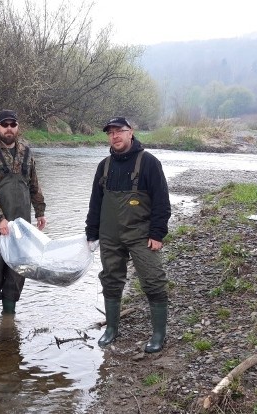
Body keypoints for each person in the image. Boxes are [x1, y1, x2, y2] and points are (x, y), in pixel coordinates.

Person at [85, 116, 171, 353]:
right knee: (111, 281)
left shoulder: (149, 163)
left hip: (141, 235)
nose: (115, 136)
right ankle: (112, 330)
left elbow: (162, 202)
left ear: (130, 132)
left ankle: (158, 335)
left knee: (154, 281)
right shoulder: (103, 166)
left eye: (119, 131)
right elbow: (95, 203)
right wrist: (91, 233)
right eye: (110, 132)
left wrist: (157, 233)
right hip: (110, 235)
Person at [0, 109, 47, 316]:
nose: (9, 128)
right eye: (4, 124)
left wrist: (40, 211)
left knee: (18, 272)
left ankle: (9, 323)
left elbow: (34, 184)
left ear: (17, 127)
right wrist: (0, 218)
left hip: (22, 225)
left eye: (12, 125)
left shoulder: (27, 151)